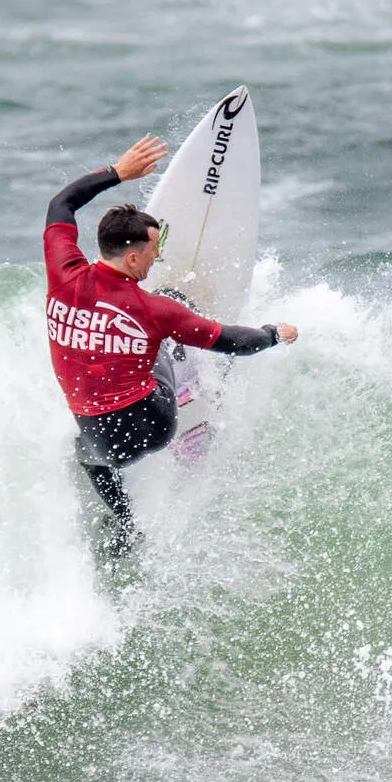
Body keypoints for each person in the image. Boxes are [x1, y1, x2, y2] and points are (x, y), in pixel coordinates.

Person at [44, 134, 298, 555]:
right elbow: (232, 341)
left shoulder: (63, 270)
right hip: (154, 425)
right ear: (131, 258)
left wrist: (117, 173)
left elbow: (61, 205)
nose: (156, 258)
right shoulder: (154, 308)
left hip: (99, 436)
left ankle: (125, 525)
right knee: (160, 337)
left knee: (86, 453)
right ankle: (190, 392)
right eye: (154, 251)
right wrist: (274, 334)